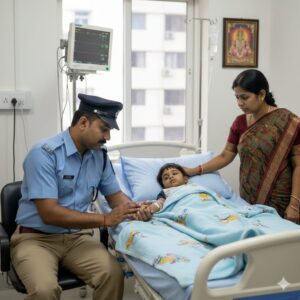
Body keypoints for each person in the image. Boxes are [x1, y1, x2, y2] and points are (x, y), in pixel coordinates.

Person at [10, 93, 147, 300]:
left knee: (112, 274)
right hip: (36, 239)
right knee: (45, 290)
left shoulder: (99, 156)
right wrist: (104, 219)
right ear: (83, 122)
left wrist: (138, 209)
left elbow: (116, 198)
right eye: (104, 129)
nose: (107, 137)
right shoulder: (44, 153)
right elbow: (49, 213)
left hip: (76, 239)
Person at [185, 69, 300, 223]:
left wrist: (294, 204)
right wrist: (194, 170)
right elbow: (226, 155)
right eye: (237, 97)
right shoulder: (239, 123)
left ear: (261, 94)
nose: (240, 103)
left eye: (245, 97)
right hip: (249, 200)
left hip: (283, 201)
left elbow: (298, 165)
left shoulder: (289, 122)